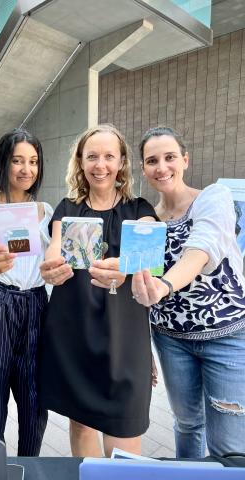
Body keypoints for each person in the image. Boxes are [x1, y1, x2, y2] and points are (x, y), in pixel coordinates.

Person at [39, 124, 157, 457]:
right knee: (81, 424)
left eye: (109, 156)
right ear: (80, 161)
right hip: (75, 333)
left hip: (125, 338)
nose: (100, 165)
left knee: (125, 431)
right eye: (92, 156)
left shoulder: (139, 210)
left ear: (121, 162)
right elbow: (55, 248)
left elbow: (148, 254)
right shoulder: (67, 207)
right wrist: (52, 268)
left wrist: (128, 267)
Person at [132, 126, 245, 457]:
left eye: (169, 157)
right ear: (143, 169)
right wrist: (143, 344)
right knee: (187, 424)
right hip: (170, 339)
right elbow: (140, 284)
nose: (162, 167)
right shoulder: (147, 218)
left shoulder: (212, 198)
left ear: (185, 160)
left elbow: (201, 250)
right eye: (152, 160)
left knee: (229, 442)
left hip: (226, 335)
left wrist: (165, 285)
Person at [0, 128, 52, 456]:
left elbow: (59, 255)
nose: (26, 169)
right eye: (17, 160)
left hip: (36, 306)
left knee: (35, 405)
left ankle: (29, 469)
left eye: (33, 161)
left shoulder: (46, 210)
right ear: (4, 163)